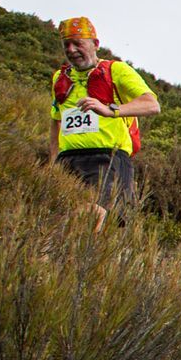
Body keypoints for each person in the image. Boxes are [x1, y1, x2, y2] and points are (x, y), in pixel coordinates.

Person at [49, 16, 159, 231]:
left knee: (91, 215)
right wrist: (53, 163)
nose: (71, 50)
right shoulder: (59, 78)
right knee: (60, 219)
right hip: (67, 161)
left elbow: (151, 105)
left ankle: (83, 261)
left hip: (107, 158)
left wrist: (110, 110)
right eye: (66, 45)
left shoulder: (116, 70)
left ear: (95, 44)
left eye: (78, 43)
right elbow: (56, 122)